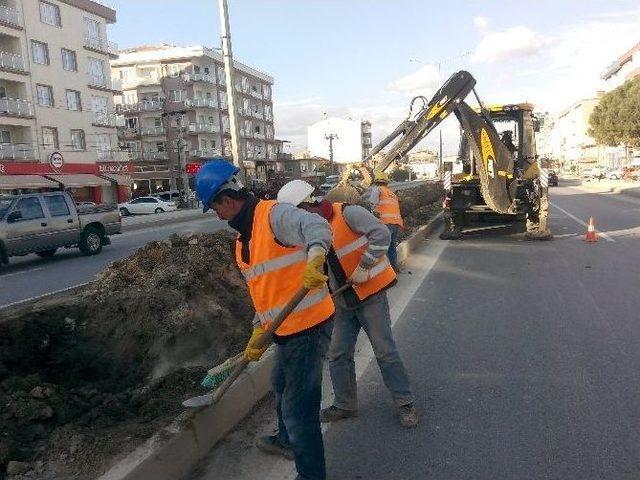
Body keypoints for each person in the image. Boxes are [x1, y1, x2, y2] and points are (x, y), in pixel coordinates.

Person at [196, 160, 334, 480]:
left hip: (308, 328)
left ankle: (311, 473)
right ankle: (287, 441)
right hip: (285, 329)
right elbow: (266, 291)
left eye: (213, 208)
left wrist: (315, 256)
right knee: (280, 384)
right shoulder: (243, 239)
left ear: (226, 201)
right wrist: (258, 331)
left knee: (299, 411)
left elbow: (316, 227)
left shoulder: (273, 215)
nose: (215, 215)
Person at [278, 180, 419, 428]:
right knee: (338, 354)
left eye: (297, 213)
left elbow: (382, 234)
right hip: (342, 303)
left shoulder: (348, 213)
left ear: (309, 203)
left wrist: (364, 266)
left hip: (370, 295)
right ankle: (345, 404)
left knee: (384, 350)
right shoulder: (309, 232)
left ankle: (405, 402)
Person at [367, 171, 404, 272]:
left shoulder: (377, 189)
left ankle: (387, 272)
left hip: (385, 223)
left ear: (376, 182)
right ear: (386, 182)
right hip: (395, 223)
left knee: (383, 248)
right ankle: (394, 267)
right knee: (392, 247)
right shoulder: (391, 193)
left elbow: (372, 205)